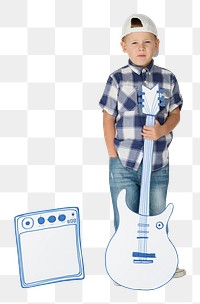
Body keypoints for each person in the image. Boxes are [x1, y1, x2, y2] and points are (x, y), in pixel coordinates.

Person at [99, 13, 186, 278]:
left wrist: (161, 129)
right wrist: (113, 155)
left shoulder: (167, 78)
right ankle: (122, 267)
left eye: (146, 42)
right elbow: (108, 117)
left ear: (156, 45)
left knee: (157, 217)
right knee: (124, 219)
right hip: (124, 162)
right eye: (134, 43)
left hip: (158, 163)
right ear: (124, 46)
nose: (141, 48)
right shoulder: (117, 79)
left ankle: (163, 265)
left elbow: (175, 113)